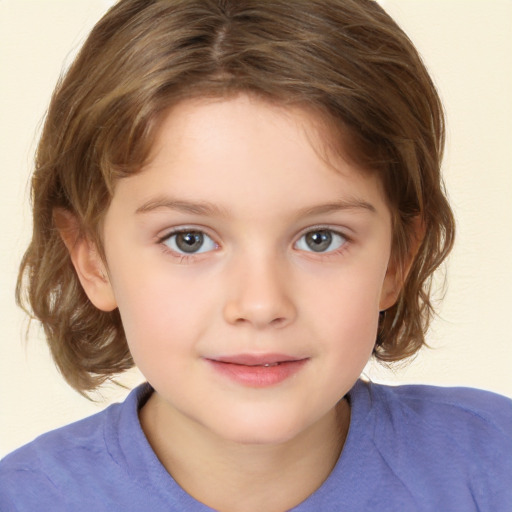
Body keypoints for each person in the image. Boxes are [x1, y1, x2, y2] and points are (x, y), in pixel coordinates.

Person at [1, 0, 511, 510]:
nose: (262, 304)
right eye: (188, 240)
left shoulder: (493, 465)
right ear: (93, 260)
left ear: (397, 258)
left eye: (320, 238)